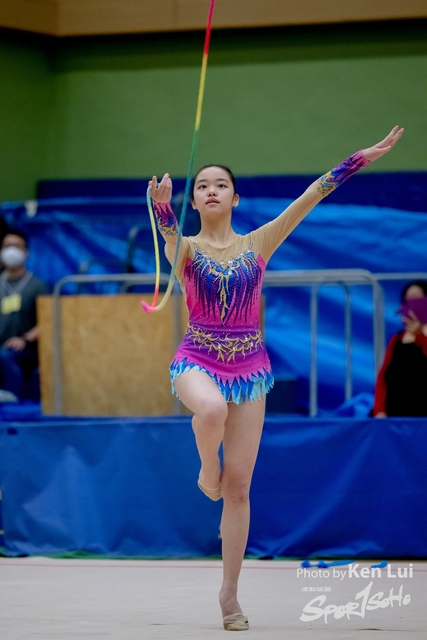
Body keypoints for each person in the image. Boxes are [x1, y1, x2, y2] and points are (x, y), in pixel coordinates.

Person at [148, 126, 403, 631]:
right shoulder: (187, 250)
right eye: (203, 186)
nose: (212, 190)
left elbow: (311, 195)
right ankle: (206, 468)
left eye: (221, 184)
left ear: (236, 198)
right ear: (193, 201)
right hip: (197, 357)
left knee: (240, 489)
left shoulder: (259, 242)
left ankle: (229, 595)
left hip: (249, 369)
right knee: (210, 411)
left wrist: (359, 158)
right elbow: (168, 236)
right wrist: (160, 207)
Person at [0, 229, 48, 400]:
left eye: (16, 246)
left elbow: (48, 321)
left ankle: (13, 400)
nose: (11, 251)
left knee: (5, 354)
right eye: (7, 246)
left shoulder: (37, 285)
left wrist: (25, 339)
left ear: (25, 252)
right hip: (2, 343)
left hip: (27, 347)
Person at [374, 280, 427, 417]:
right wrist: (379, 411)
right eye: (407, 302)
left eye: (417, 301)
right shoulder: (396, 340)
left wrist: (421, 336)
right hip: (395, 420)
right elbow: (383, 379)